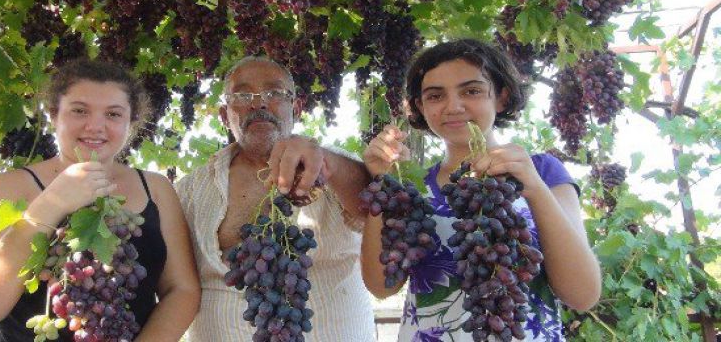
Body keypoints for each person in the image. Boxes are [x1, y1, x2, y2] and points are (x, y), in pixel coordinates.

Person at [361, 39, 601, 341]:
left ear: (501, 97)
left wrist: (536, 190)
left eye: (471, 90)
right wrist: (385, 183)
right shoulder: (412, 186)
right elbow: (381, 286)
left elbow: (583, 294)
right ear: (421, 107)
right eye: (435, 96)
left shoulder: (542, 172)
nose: (454, 106)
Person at [0, 58, 200, 341]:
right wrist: (52, 204)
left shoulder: (155, 188)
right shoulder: (11, 187)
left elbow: (182, 290)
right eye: (79, 111)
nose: (95, 126)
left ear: (131, 123)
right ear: (54, 115)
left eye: (114, 114)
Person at [174, 56, 377, 341]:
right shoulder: (190, 189)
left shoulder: (336, 170)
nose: (259, 103)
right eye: (243, 95)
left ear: (296, 108)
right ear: (224, 115)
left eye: (274, 93)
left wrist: (328, 163)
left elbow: (374, 203)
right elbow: (173, 283)